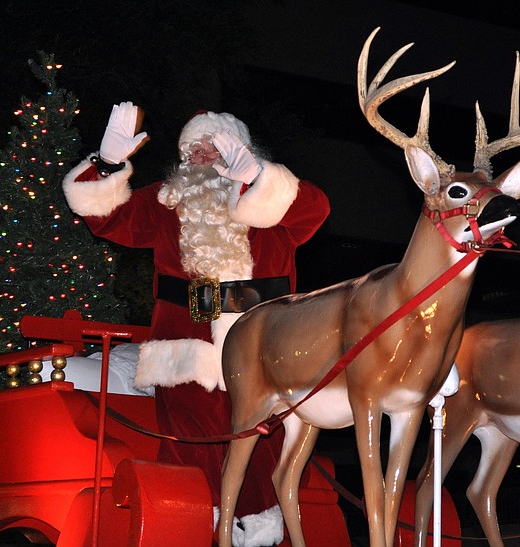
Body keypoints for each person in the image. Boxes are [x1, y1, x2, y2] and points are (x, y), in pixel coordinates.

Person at [62, 102, 330, 546]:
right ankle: (195, 528)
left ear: (240, 151)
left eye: (213, 147)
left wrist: (257, 176)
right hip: (185, 348)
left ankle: (258, 532)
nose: (200, 157)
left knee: (262, 442)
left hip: (265, 349)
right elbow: (107, 218)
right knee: (189, 442)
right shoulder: (166, 202)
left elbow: (316, 209)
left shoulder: (272, 205)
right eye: (193, 150)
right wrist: (106, 164)